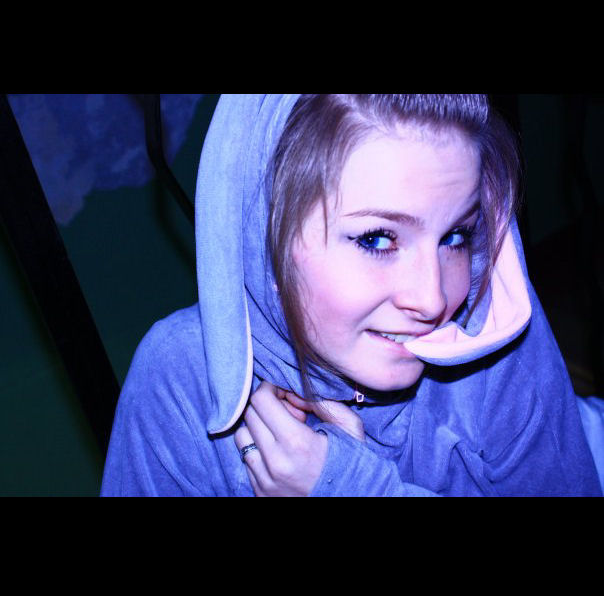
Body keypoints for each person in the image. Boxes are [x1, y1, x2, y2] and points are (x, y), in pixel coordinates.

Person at [100, 94, 602, 497]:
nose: (433, 300)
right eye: (377, 240)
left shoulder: (495, 334)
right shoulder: (178, 382)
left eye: (455, 236)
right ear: (263, 236)